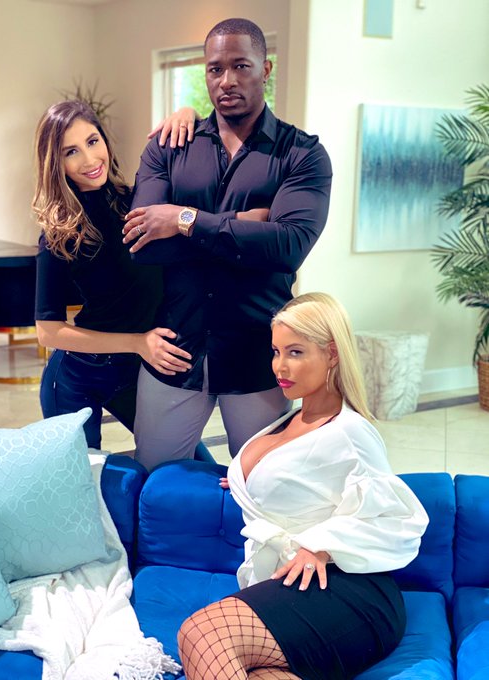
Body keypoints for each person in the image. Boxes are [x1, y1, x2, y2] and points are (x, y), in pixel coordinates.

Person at [177, 292, 430, 680]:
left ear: (332, 354)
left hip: (349, 591)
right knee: (259, 674)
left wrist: (320, 545)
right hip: (294, 585)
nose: (280, 366)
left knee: (202, 634)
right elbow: (297, 479)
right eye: (276, 351)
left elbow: (397, 519)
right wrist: (247, 482)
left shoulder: (350, 432)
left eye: (295, 352)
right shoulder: (291, 417)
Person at [122, 18, 333, 471]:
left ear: (266, 69)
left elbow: (288, 246)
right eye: (215, 68)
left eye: (241, 65)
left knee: (263, 484)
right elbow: (142, 244)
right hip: (175, 352)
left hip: (258, 355)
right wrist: (243, 225)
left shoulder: (302, 154)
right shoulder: (168, 147)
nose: (227, 80)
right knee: (154, 482)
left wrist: (182, 220)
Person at [32, 99, 198, 449]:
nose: (90, 160)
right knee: (83, 475)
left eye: (93, 142)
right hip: (77, 376)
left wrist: (190, 114)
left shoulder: (138, 202)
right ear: (56, 164)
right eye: (71, 152)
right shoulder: (59, 233)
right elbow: (48, 332)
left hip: (137, 371)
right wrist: (137, 342)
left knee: (189, 461)